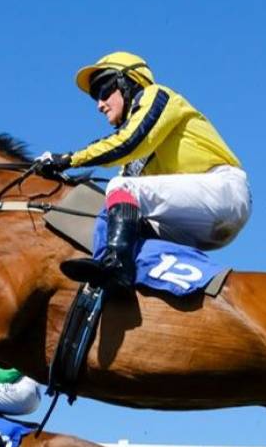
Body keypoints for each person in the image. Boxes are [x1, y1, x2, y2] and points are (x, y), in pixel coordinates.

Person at [31, 51, 251, 289]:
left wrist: (68, 159)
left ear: (128, 82)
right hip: (200, 225)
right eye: (95, 96)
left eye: (103, 91)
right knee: (128, 224)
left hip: (224, 192)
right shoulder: (134, 160)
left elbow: (127, 142)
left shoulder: (157, 95)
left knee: (121, 187)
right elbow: (118, 201)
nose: (99, 105)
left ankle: (115, 267)